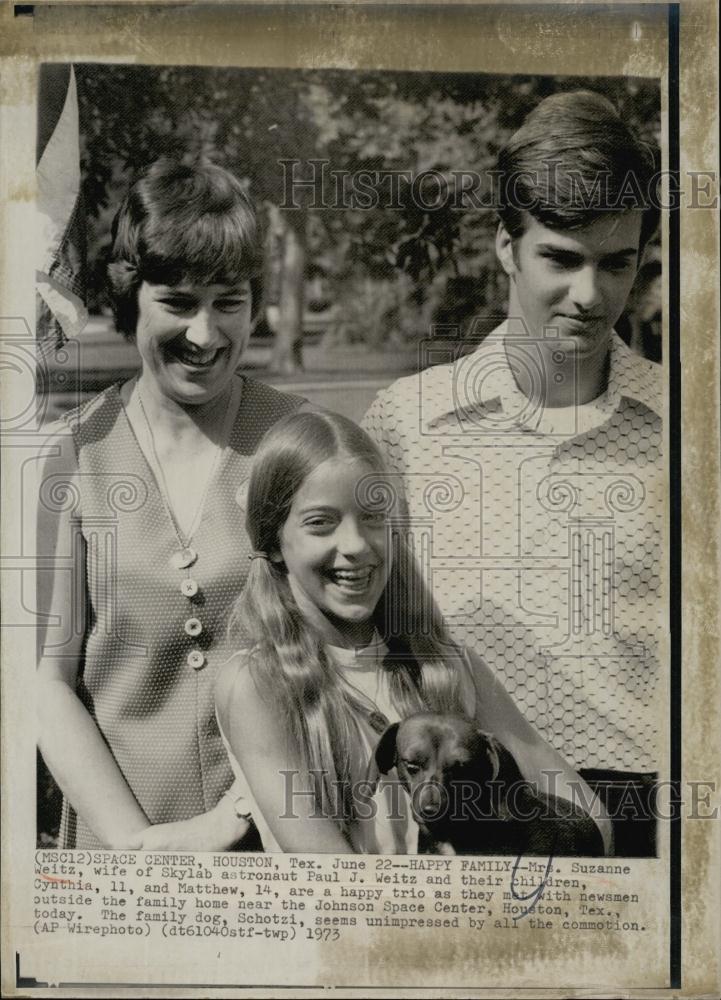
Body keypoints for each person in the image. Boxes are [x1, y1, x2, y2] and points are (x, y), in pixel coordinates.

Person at [362, 91, 662, 854]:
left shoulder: (692, 432)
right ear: (505, 246)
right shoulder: (403, 424)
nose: (590, 296)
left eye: (616, 263)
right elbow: (323, 631)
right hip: (456, 820)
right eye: (559, 259)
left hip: (646, 826)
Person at [36, 159, 306, 850]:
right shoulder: (75, 456)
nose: (206, 335)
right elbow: (49, 683)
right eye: (179, 302)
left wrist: (246, 815)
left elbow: (358, 657)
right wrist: (138, 845)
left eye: (229, 301)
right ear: (131, 296)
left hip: (280, 851)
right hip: (119, 859)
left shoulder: (302, 444)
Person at [215, 410, 611, 854]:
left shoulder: (447, 666)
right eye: (320, 522)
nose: (356, 545)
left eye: (373, 517)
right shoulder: (258, 686)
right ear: (272, 540)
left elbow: (586, 810)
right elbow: (330, 877)